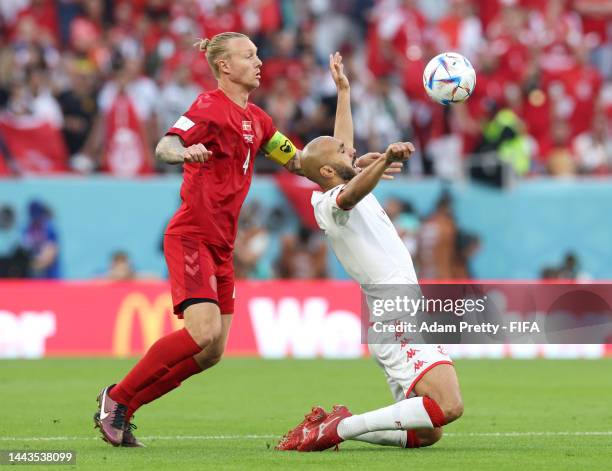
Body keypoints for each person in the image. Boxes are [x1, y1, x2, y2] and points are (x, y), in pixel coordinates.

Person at [93, 32, 391, 448]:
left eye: (257, 54)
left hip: (221, 245)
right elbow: (165, 145)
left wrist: (348, 137)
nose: (259, 62)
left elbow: (308, 163)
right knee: (202, 332)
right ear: (224, 67)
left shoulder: (259, 121)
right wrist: (183, 154)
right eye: (248, 56)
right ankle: (117, 399)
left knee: (211, 352)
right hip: (192, 235)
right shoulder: (208, 108)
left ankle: (122, 409)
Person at [276, 58, 463, 452]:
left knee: (427, 431)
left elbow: (342, 153)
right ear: (329, 172)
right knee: (448, 405)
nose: (352, 151)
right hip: (395, 311)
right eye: (343, 153)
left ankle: (340, 426)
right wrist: (386, 160)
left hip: (403, 309)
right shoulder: (329, 204)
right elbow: (352, 191)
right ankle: (338, 428)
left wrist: (344, 91)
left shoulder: (337, 178)